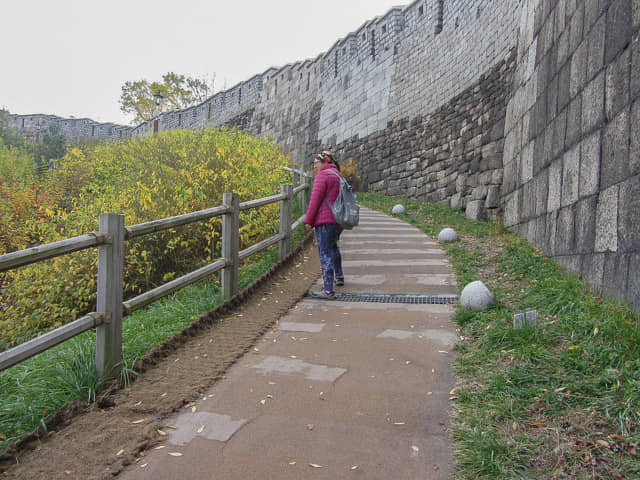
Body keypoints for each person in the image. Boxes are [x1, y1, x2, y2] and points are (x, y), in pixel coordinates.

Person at [304, 152, 345, 299]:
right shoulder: (338, 175)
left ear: (324, 162)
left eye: (316, 163)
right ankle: (339, 276)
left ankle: (327, 290)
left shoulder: (323, 175)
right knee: (333, 247)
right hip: (338, 220)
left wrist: (309, 220)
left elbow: (315, 199)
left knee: (325, 252)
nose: (315, 166)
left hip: (325, 220)